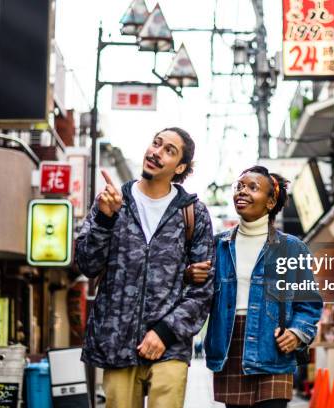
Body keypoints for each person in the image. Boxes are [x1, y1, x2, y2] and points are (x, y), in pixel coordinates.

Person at [75, 127, 214, 408]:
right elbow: (87, 265)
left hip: (170, 345)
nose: (156, 152)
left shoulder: (192, 213)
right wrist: (105, 220)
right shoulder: (114, 202)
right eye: (156, 143)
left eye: (169, 151)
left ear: (181, 167)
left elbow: (203, 288)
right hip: (117, 342)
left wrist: (164, 332)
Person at [187, 166, 323, 408]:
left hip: (273, 347)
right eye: (239, 186)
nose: (242, 192)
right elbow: (198, 295)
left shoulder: (292, 248)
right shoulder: (217, 246)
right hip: (230, 345)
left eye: (252, 187)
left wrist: (297, 332)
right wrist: (189, 275)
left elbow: (309, 304)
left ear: (270, 202)